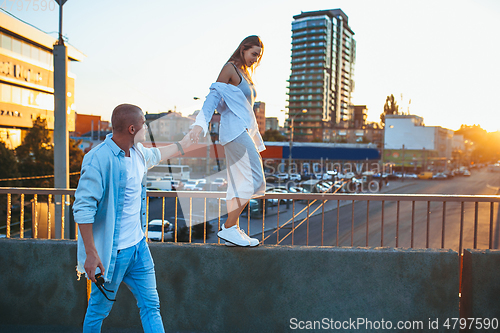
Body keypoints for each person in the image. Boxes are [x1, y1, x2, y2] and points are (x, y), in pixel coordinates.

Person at [73, 104, 192, 333]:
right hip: (112, 254)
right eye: (144, 124)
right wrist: (91, 253)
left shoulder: (138, 152)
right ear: (131, 128)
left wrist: (184, 144)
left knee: (151, 305)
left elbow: (159, 153)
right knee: (98, 311)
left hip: (139, 248)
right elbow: (83, 208)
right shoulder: (98, 158)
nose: (146, 128)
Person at [188, 35, 266, 247]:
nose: (255, 59)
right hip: (234, 132)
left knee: (239, 182)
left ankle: (233, 232)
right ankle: (229, 227)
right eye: (253, 54)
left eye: (259, 56)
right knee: (256, 178)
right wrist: (200, 124)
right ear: (243, 49)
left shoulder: (245, 73)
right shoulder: (230, 68)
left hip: (242, 132)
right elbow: (213, 97)